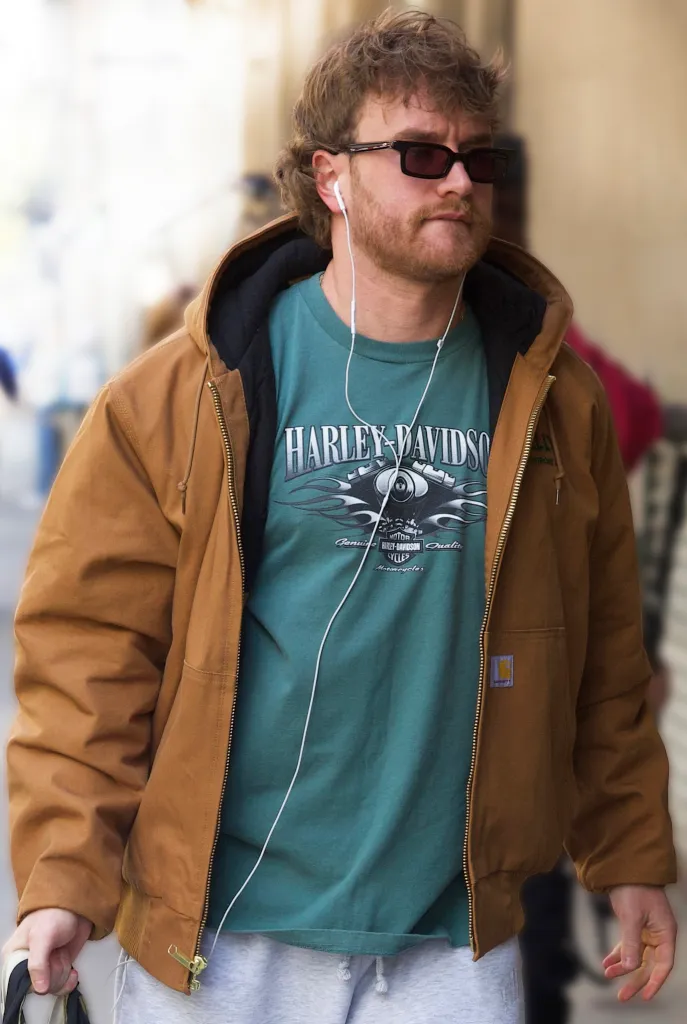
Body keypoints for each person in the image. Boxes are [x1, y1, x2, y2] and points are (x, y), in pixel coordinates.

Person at [3, 11, 677, 1024]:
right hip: (223, 942)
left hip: (450, 946)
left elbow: (605, 660)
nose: (457, 180)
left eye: (474, 157)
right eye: (419, 154)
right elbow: (89, 651)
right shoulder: (185, 393)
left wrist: (629, 854)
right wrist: (61, 877)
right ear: (331, 178)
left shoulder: (553, 402)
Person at [492, 132, 670, 1024]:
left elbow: (630, 416)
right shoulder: (538, 334)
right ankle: (548, 968)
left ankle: (545, 970)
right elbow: (637, 416)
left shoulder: (530, 338)